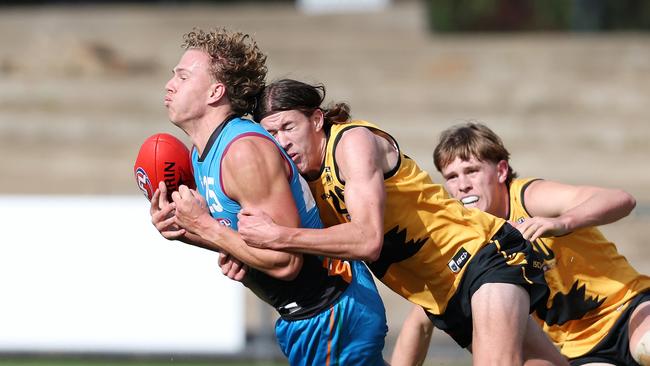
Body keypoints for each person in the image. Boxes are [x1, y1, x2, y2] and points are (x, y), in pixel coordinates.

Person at [236, 79, 567, 365]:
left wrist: (277, 236)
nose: (282, 141)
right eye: (271, 133)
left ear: (317, 119)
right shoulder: (299, 182)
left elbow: (367, 240)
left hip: (481, 256)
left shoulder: (352, 144)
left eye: (289, 127)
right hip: (441, 297)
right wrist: (245, 259)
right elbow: (299, 255)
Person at [149, 28, 387, 365]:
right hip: (307, 316)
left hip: (331, 308)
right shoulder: (202, 154)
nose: (169, 84)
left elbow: (287, 263)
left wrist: (205, 228)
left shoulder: (243, 152)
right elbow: (245, 241)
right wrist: (182, 230)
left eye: (183, 76)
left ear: (216, 91)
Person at [391, 121, 650, 365]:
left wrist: (563, 222)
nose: (463, 186)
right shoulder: (464, 235)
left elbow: (621, 199)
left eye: (471, 171)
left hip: (627, 309)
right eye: (452, 176)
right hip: (576, 352)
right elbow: (419, 322)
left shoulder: (527, 198)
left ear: (501, 171)